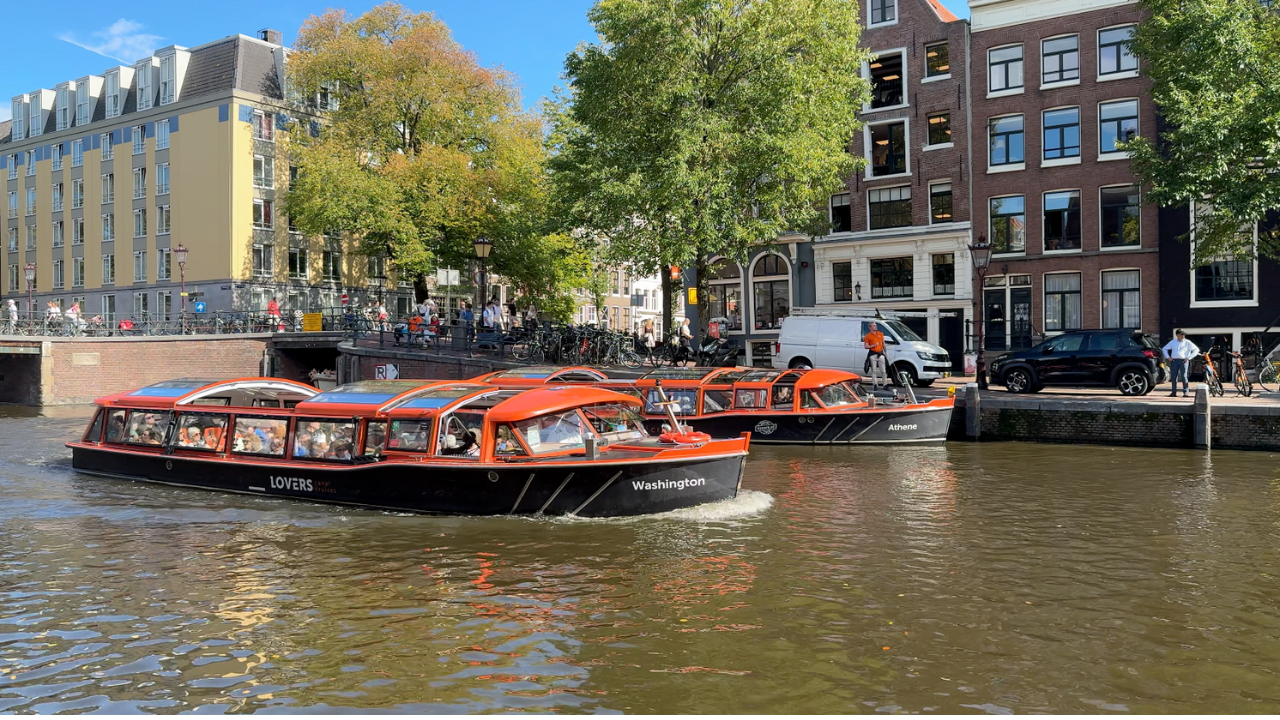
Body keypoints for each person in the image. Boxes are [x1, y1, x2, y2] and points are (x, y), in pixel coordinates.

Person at [1163, 329, 1200, 398]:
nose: (1183, 336)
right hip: (1174, 361)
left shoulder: (1187, 342)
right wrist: (1168, 357)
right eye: (1181, 334)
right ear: (1177, 335)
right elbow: (1164, 349)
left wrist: (1189, 357)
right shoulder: (1173, 342)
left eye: (1183, 334)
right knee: (1174, 377)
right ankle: (1174, 392)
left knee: (1184, 376)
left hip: (1184, 361)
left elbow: (1196, 349)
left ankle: (1186, 392)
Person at [863, 321, 888, 390]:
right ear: (870, 327)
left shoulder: (880, 334)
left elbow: (883, 343)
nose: (875, 327)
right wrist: (874, 345)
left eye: (875, 325)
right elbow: (866, 346)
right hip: (873, 354)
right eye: (874, 326)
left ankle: (885, 384)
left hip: (880, 353)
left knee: (883, 370)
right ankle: (875, 384)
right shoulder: (868, 336)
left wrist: (885, 351)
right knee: (873, 370)